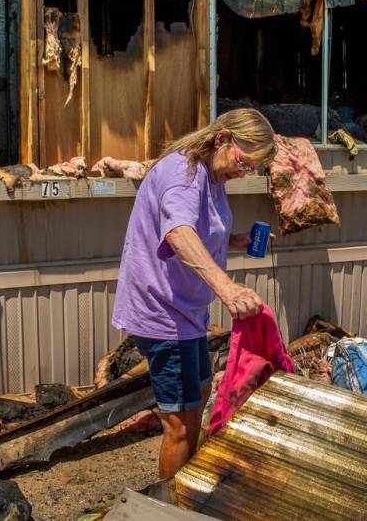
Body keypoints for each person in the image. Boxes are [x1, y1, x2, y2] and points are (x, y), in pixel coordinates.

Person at [111, 108, 277, 479]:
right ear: (223, 138)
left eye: (251, 168)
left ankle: (185, 486)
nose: (243, 171)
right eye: (243, 160)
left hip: (187, 314)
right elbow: (179, 233)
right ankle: (171, 507)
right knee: (180, 426)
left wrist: (237, 241)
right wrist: (227, 289)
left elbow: (198, 232)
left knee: (198, 400)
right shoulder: (183, 174)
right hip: (164, 315)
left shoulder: (210, 177)